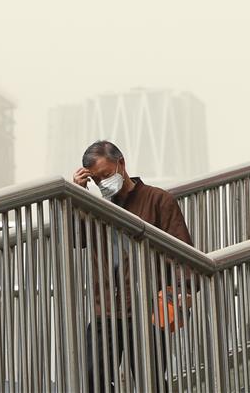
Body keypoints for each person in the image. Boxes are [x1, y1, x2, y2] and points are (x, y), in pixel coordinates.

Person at [73, 140, 194, 392]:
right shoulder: (97, 207)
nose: (103, 182)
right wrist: (78, 195)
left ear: (122, 164)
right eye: (96, 180)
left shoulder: (158, 200)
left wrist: (177, 292)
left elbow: (184, 254)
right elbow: (77, 239)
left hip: (147, 308)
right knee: (92, 377)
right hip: (104, 310)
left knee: (149, 381)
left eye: (106, 175)